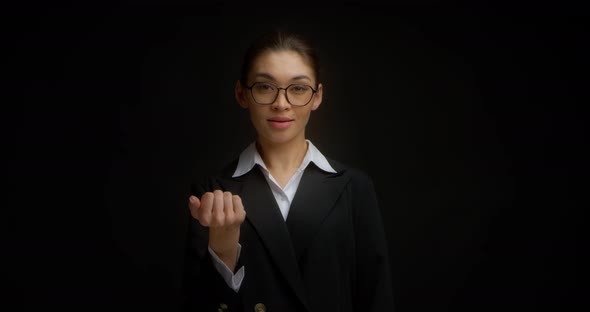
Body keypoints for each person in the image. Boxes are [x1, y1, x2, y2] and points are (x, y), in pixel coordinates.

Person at [182, 29, 394, 311]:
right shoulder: (213, 193)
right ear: (241, 93)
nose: (281, 104)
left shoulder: (354, 187)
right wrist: (223, 251)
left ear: (317, 97)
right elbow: (196, 305)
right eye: (264, 87)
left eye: (298, 89)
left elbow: (376, 299)